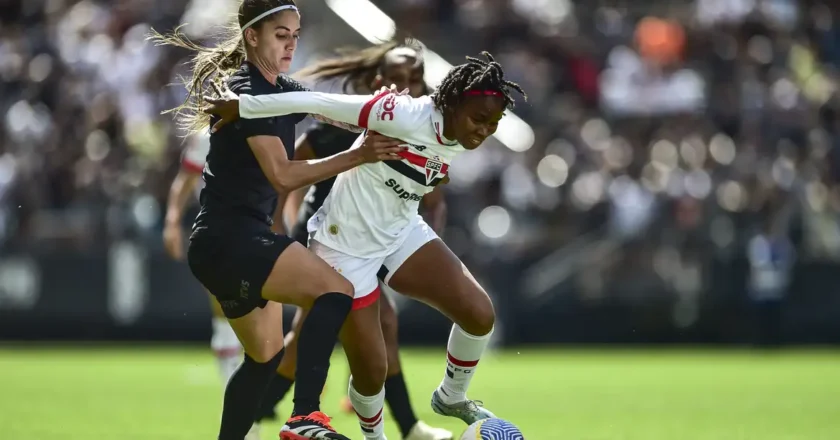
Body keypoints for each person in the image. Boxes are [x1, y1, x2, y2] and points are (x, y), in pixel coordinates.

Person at [205, 51, 527, 440]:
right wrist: (244, 106)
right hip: (344, 246)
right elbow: (316, 103)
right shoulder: (400, 113)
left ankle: (451, 396)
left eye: (493, 124)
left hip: (401, 230)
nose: (483, 131)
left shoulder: (460, 133)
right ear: (454, 103)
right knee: (372, 372)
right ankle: (373, 436)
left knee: (479, 314)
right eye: (479, 119)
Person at [149, 1, 406, 439]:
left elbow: (327, 108)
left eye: (295, 35)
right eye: (280, 34)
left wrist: (384, 107)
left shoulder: (278, 88)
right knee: (336, 291)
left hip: (220, 244)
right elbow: (283, 174)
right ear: (252, 36)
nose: (291, 44)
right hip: (235, 239)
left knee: (264, 358)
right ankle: (305, 415)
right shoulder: (249, 90)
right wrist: (357, 155)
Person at [253, 40, 453, 440]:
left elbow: (433, 193)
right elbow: (287, 173)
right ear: (379, 82)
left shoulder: (423, 128)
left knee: (382, 324)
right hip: (327, 234)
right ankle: (257, 414)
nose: (407, 87)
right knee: (308, 338)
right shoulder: (340, 123)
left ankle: (406, 426)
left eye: (415, 79)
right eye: (398, 79)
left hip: (374, 239)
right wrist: (279, 224)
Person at [162, 132, 260, 440]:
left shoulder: (271, 121)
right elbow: (186, 179)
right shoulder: (209, 135)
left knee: (255, 323)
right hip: (220, 229)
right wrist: (172, 220)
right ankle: (243, 415)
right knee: (227, 313)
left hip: (261, 227)